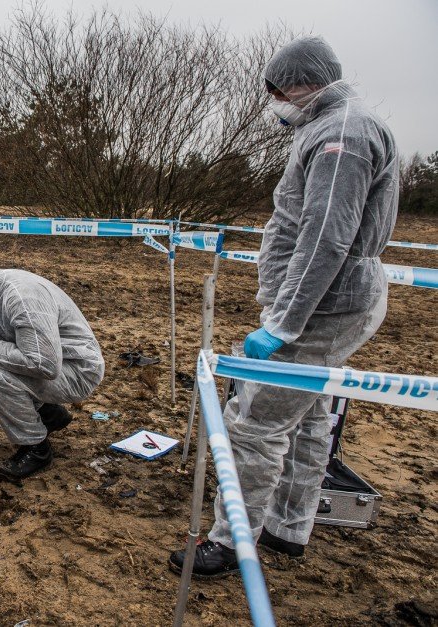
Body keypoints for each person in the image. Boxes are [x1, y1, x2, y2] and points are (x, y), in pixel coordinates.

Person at [169, 36, 399, 577]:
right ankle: (288, 527)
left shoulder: (342, 134)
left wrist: (284, 324)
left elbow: (325, 238)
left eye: (276, 89)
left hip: (320, 312)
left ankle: (231, 542)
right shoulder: (330, 126)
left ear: (302, 82)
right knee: (311, 414)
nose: (273, 99)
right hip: (326, 307)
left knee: (254, 425)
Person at [0, 266, 105, 481]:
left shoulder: (23, 301)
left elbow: (44, 364)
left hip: (76, 369)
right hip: (46, 359)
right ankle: (49, 416)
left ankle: (36, 449)